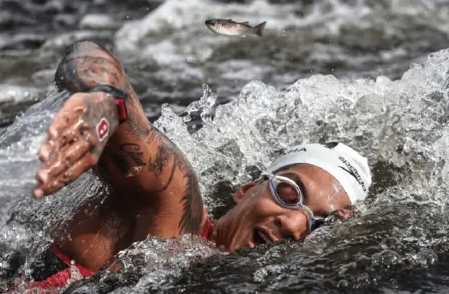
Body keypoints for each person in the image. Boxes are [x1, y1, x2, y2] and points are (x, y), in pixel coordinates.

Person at [24, 41, 372, 290]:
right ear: (246, 189)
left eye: (318, 224)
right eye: (289, 192)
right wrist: (103, 99)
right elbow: (92, 55)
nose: (296, 224)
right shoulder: (173, 207)